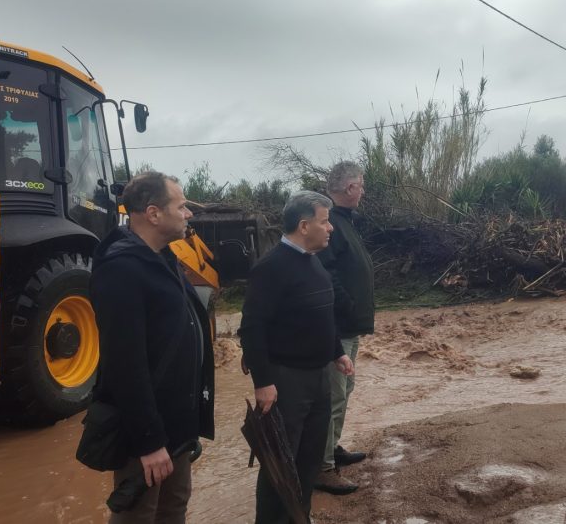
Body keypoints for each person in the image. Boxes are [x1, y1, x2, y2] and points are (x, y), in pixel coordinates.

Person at [89, 171, 215, 523]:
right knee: (139, 516)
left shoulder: (165, 259)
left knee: (173, 508)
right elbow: (124, 364)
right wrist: (148, 442)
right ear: (154, 213)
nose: (188, 213)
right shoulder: (122, 269)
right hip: (145, 432)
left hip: (176, 425)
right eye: (182, 206)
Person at [238, 191, 355, 524]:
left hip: (319, 377)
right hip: (286, 380)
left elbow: (322, 313)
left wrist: (336, 353)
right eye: (324, 221)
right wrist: (263, 382)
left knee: (309, 459)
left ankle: (299, 517)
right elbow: (252, 327)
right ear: (304, 225)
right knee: (280, 462)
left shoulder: (312, 261)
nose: (330, 227)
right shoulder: (271, 268)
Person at [313, 162, 374, 496]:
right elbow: (328, 274)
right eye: (361, 185)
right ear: (350, 188)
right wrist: (349, 306)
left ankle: (331, 449)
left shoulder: (343, 221)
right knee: (334, 396)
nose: (362, 191)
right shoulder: (332, 224)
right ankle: (322, 469)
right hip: (338, 328)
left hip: (350, 327)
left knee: (344, 393)